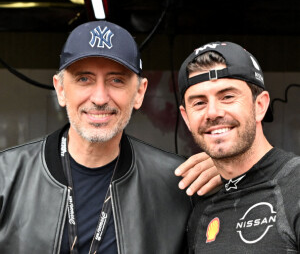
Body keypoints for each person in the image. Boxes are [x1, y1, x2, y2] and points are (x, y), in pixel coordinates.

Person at [0, 21, 221, 254]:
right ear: (61, 89)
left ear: (139, 93)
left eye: (116, 80)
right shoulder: (6, 176)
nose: (99, 97)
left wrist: (231, 174)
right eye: (84, 79)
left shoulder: (181, 183)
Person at [178, 41, 300, 253]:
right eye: (199, 102)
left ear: (260, 106)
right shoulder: (200, 209)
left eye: (227, 97)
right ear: (186, 118)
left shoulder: (295, 186)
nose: (213, 112)